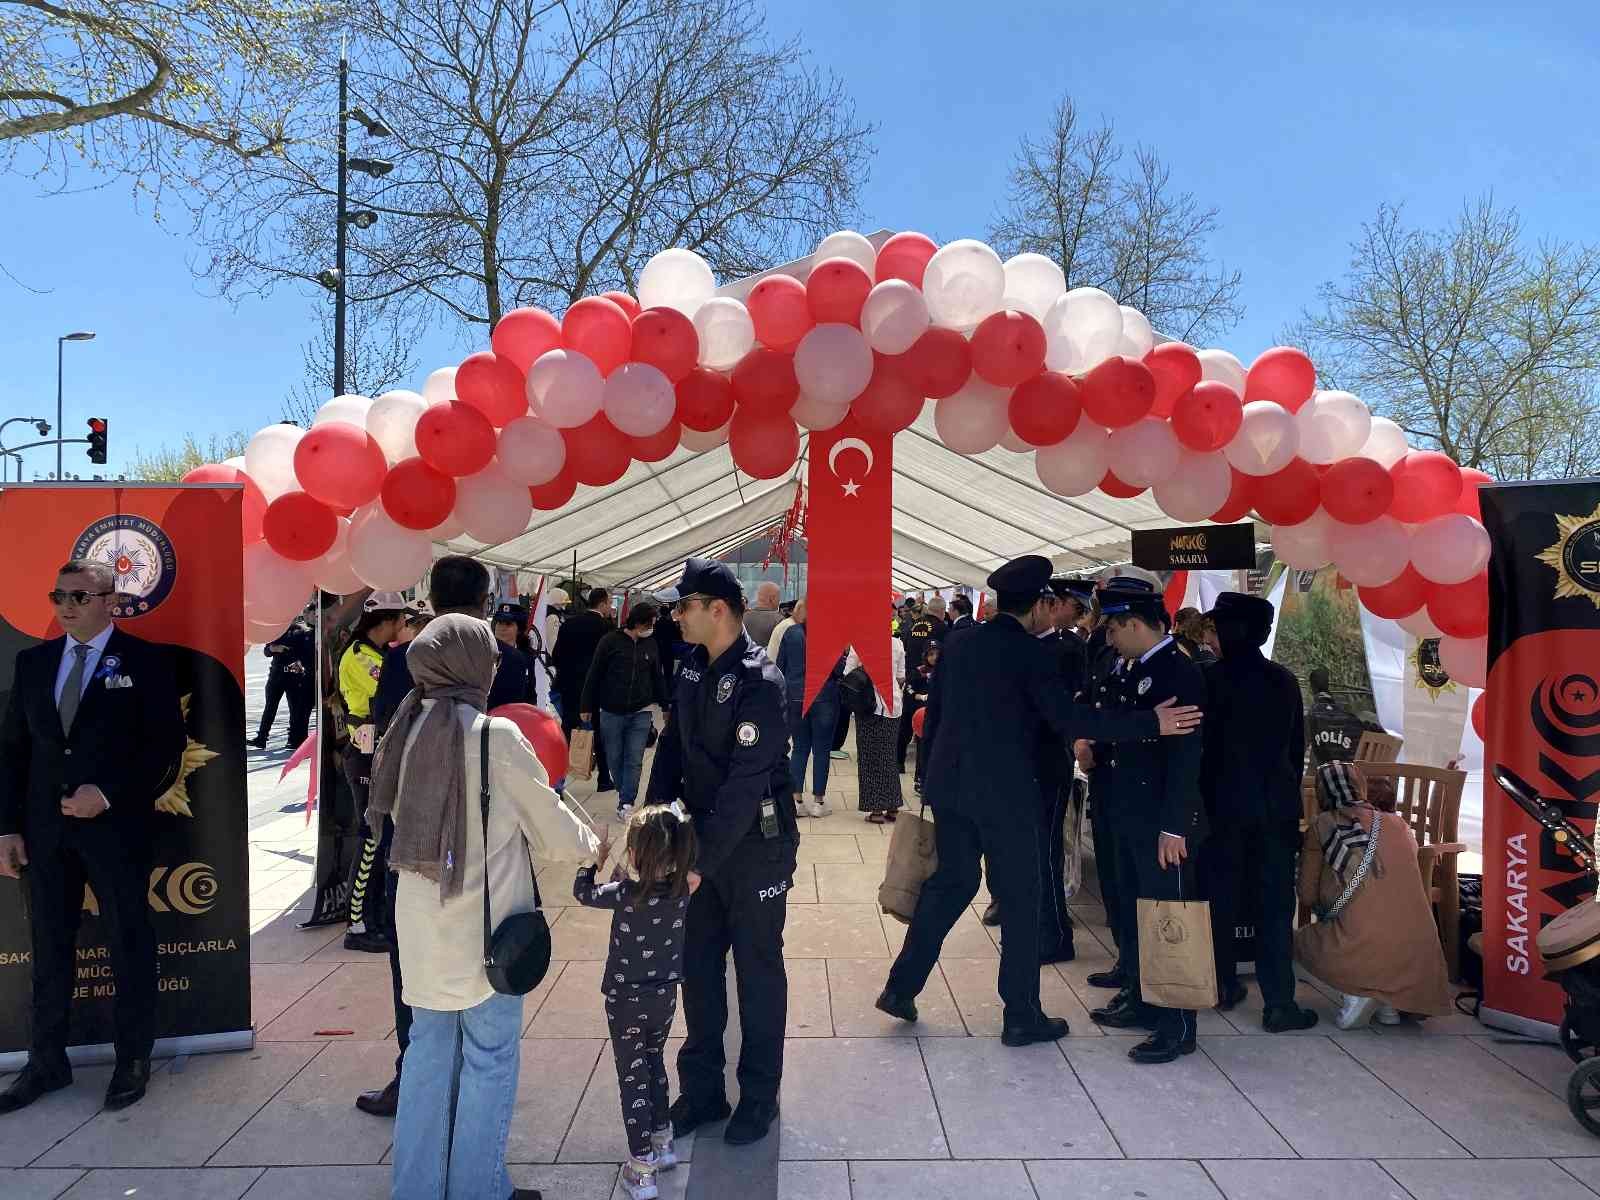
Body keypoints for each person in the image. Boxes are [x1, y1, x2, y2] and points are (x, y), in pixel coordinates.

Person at [877, 557, 1202, 1048]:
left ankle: (902, 987)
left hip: (952, 789)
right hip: (1006, 797)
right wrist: (1149, 723)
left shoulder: (962, 640)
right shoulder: (1030, 655)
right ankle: (1022, 1014)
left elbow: (935, 713)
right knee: (1023, 900)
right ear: (1039, 606)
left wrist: (930, 777)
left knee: (950, 885)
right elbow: (1068, 718)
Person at [370, 613, 595, 1200]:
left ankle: (417, 1190)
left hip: (422, 931)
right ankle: (479, 1190)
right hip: (486, 935)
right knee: (489, 1060)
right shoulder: (494, 735)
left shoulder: (405, 726)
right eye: (489, 660)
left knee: (426, 1062)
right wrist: (595, 843)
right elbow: (554, 833)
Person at [0, 559, 186, 1114]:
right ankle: (46, 1061)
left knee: (129, 941)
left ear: (111, 600)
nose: (66, 606)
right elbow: (13, 751)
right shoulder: (33, 663)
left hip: (115, 830)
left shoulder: (146, 662)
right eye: (59, 596)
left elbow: (163, 749)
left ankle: (132, 1058)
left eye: (79, 596)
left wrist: (105, 795)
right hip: (45, 833)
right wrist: (8, 826)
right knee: (51, 946)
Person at [646, 558, 797, 1147]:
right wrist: (656, 828)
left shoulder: (761, 681)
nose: (677, 616)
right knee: (698, 971)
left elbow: (744, 783)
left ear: (718, 610)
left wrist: (700, 863)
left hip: (754, 849)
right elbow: (672, 751)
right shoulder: (687, 668)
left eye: (684, 606)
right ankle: (703, 1091)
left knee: (758, 972)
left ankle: (759, 1097)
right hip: (697, 850)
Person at [356, 557, 489, 1120]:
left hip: (414, 850)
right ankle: (470, 1081)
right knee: (483, 972)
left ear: (431, 599)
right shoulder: (493, 659)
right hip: (483, 850)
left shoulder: (403, 662)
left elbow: (386, 746)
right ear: (484, 602)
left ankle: (416, 1077)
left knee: (412, 968)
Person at [1085, 584, 1211, 1063]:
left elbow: (1186, 755)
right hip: (1128, 814)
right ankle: (1141, 996)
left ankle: (1177, 1024)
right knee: (1137, 913)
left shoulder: (1176, 670)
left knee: (1170, 919)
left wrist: (1175, 826)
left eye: (1114, 629)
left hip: (1162, 822)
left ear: (1135, 625)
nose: (1110, 639)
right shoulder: (1134, 668)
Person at [1199, 592, 1320, 1030]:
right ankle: (1279, 1002)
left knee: (1221, 899)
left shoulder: (1208, 681)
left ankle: (1222, 983)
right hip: (1274, 810)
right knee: (1272, 905)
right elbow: (1295, 750)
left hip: (1221, 810)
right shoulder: (1282, 681)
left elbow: (1199, 751)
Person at [574, 806, 697, 1200]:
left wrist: (592, 861)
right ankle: (662, 1142)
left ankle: (641, 1167)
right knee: (654, 1061)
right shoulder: (682, 890)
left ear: (636, 853)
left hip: (626, 999)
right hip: (664, 998)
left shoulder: (624, 894)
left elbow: (583, 893)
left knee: (633, 1077)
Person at [1296, 763, 1454, 1028]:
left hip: (1359, 947)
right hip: (1419, 956)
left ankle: (1357, 993)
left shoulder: (1323, 825)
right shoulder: (1399, 824)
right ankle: (1389, 1006)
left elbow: (1307, 894)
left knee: (1298, 943)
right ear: (1361, 787)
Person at [339, 591, 409, 954]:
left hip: (382, 755)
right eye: (400, 620)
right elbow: (390, 693)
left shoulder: (380, 656)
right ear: (386, 621)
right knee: (370, 839)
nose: (403, 626)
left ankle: (376, 916)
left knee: (382, 841)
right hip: (365, 758)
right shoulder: (362, 658)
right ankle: (357, 924)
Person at [582, 600, 669, 820]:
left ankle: (626, 802)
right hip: (611, 710)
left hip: (641, 711)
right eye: (650, 623)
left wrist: (666, 705)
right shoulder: (610, 641)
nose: (652, 627)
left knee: (634, 758)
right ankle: (624, 791)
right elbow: (594, 673)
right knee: (614, 756)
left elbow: (657, 677)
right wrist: (586, 705)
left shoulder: (651, 644)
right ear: (638, 623)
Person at [776, 600, 839, 818]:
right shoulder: (831, 634)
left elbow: (780, 667)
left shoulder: (790, 633)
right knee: (822, 750)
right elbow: (840, 669)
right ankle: (819, 802)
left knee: (800, 748)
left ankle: (796, 800)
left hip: (796, 696)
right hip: (825, 696)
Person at [553, 587, 616, 792]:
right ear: (602, 603)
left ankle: (558, 782)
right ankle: (604, 778)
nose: (610, 607)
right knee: (599, 731)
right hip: (595, 688)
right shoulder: (606, 628)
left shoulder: (569, 623)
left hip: (569, 685)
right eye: (609, 603)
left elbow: (557, 655)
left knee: (567, 732)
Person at [844, 634, 907, 824]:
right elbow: (901, 676)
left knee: (871, 758)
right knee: (888, 755)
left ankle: (877, 809)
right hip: (894, 707)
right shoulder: (897, 643)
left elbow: (848, 673)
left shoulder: (860, 643)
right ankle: (893, 806)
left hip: (870, 707)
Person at [251, 607, 314, 750]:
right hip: (276, 675)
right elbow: (266, 651)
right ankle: (261, 737)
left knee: (295, 709)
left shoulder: (301, 631)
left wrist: (296, 663)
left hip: (293, 676)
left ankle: (293, 739)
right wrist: (273, 649)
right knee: (270, 707)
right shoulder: (276, 631)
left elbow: (305, 655)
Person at [1306, 666, 1382, 764]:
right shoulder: (1354, 720)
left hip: (1332, 775)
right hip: (1358, 774)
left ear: (1312, 688)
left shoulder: (1312, 717)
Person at [487, 602, 534, 710]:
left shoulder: (526, 656)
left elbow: (530, 692)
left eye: (508, 624)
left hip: (516, 716)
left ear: (519, 629)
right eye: (499, 623)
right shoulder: (486, 651)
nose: (502, 628)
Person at [742, 580, 784, 650]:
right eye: (778, 598)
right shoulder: (780, 620)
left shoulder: (742, 617)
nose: (779, 601)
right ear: (771, 599)